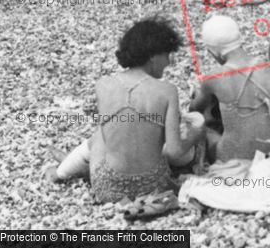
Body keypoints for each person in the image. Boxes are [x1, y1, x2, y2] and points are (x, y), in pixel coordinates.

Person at [46, 18, 204, 203]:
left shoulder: (103, 85)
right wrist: (197, 132)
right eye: (167, 54)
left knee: (100, 137)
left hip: (108, 190)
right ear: (153, 55)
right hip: (154, 186)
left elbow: (116, 135)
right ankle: (73, 167)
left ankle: (61, 172)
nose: (169, 62)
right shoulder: (167, 91)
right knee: (150, 135)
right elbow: (175, 151)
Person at [189, 15, 270, 162]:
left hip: (235, 157)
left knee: (203, 128)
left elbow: (195, 109)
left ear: (213, 51)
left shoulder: (214, 78)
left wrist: (196, 95)